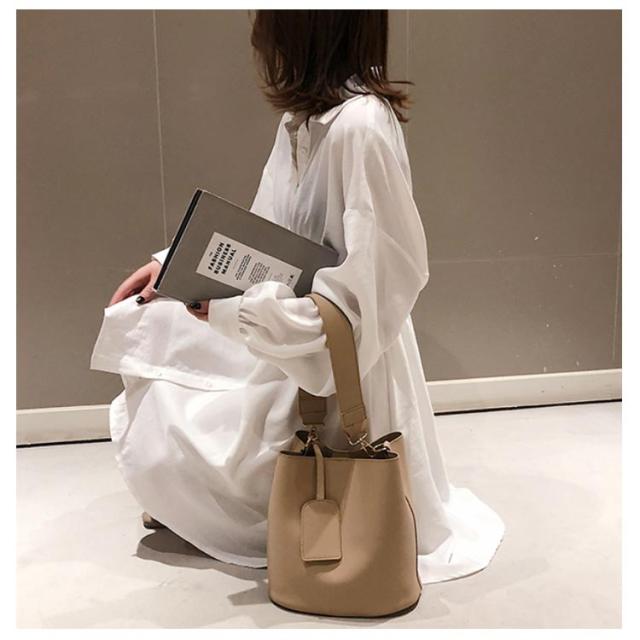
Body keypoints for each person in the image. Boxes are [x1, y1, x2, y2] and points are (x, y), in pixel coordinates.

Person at [90, 9, 504, 584]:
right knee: (151, 327)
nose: (258, 29)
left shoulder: (361, 128)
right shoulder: (303, 121)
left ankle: (219, 505)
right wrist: (174, 266)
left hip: (337, 354)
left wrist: (241, 312)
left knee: (193, 409)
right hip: (288, 322)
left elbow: (377, 286)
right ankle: (199, 499)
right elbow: (265, 234)